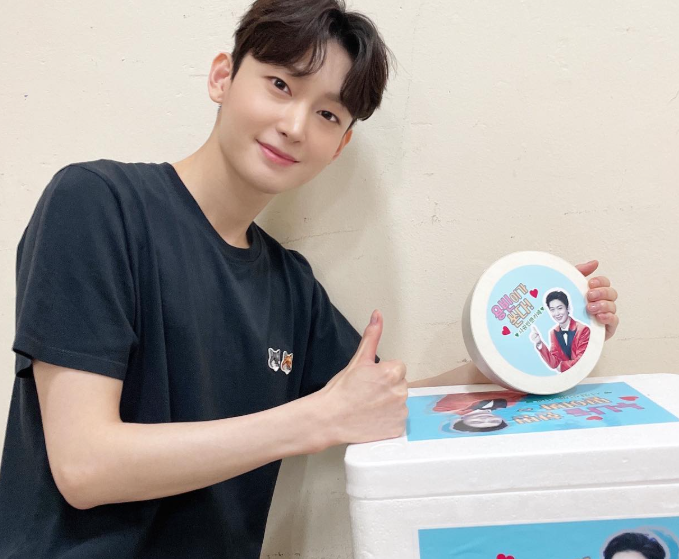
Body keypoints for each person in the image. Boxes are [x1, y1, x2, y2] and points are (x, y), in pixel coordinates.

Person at [0, 0, 621, 557]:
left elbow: (381, 405)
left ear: (339, 146)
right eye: (280, 84)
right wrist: (315, 421)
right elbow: (85, 467)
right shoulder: (97, 204)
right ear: (222, 77)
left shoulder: (290, 286)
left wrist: (530, 350)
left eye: (327, 114)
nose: (296, 125)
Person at [530, 290, 591, 373]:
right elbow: (554, 363)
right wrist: (539, 343)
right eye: (552, 310)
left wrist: (561, 366)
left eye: (560, 308)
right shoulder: (553, 332)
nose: (557, 313)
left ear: (568, 308)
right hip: (566, 378)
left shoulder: (583, 329)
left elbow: (581, 360)